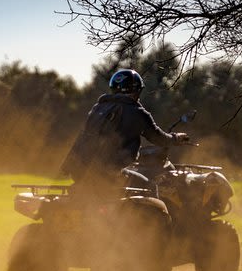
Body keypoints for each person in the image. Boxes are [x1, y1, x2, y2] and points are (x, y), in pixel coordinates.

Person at [60, 69, 189, 192]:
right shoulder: (137, 112)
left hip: (81, 172)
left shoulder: (98, 108)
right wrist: (176, 138)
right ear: (135, 91)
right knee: (150, 187)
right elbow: (158, 138)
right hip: (109, 174)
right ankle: (149, 216)